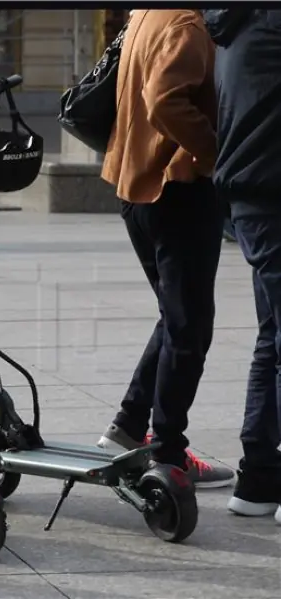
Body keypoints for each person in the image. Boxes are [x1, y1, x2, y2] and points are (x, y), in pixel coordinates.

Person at [97, 9, 235, 487]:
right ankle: (169, 454)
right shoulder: (191, 27)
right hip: (176, 188)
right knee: (190, 327)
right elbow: (163, 100)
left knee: (176, 317)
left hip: (133, 184)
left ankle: (130, 425)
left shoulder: (146, 15)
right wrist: (217, 153)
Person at [204, 9, 281, 522]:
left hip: (251, 195)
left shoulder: (235, 24)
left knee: (272, 336)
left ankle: (257, 482)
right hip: (273, 189)